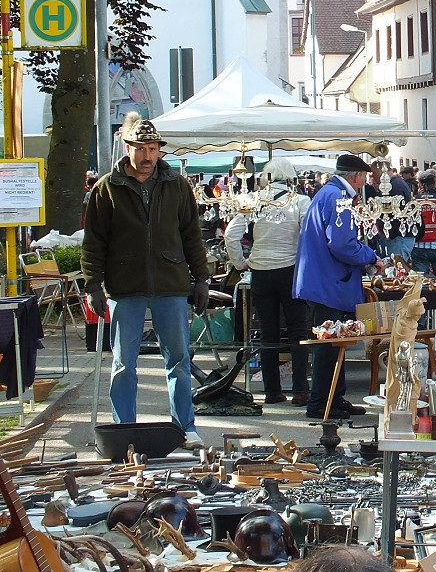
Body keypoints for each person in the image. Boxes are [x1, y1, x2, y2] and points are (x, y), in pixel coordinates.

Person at [81, 118, 210, 450]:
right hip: (125, 284)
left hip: (170, 282)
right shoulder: (107, 187)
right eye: (141, 149)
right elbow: (93, 242)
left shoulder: (176, 184)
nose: (147, 156)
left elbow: (191, 236)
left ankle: (185, 427)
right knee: (124, 363)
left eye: (152, 149)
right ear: (128, 149)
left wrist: (201, 279)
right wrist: (93, 284)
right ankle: (125, 430)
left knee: (179, 360)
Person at [294, 154, 383, 420]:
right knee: (329, 344)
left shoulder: (328, 194)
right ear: (356, 176)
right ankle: (321, 402)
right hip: (328, 283)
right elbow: (342, 245)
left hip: (323, 280)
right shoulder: (338, 199)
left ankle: (334, 397)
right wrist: (370, 257)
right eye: (363, 179)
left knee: (335, 343)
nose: (363, 184)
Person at [224, 158, 313, 407]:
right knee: (297, 332)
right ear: (291, 177)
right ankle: (300, 390)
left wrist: (241, 262)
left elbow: (231, 235)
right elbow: (309, 235)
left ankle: (272, 390)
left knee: (267, 332)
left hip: (260, 270)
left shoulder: (253, 199)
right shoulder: (299, 201)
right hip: (290, 270)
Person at [368, 159, 416, 260]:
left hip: (398, 238)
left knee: (397, 270)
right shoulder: (395, 183)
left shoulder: (394, 186)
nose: (372, 176)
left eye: (373, 173)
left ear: (380, 171)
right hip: (397, 237)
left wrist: (389, 234)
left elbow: (396, 215)